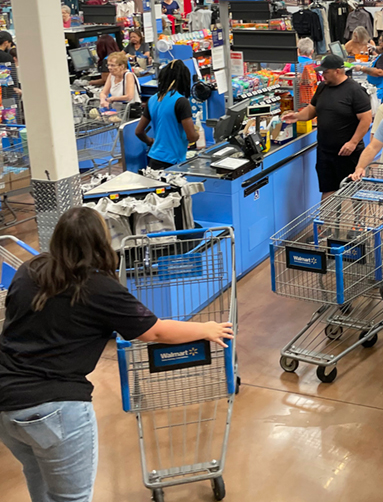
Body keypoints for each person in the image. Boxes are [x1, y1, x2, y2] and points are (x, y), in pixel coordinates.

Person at [0, 206, 233, 502]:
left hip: (6, 404)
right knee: (71, 498)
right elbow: (155, 332)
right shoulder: (97, 288)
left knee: (38, 479)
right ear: (101, 241)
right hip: (55, 409)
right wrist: (206, 329)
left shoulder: (29, 270)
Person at [284, 55, 372, 198]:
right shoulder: (322, 87)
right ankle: (327, 220)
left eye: (325, 71)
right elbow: (312, 110)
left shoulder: (355, 91)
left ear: (338, 71)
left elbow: (366, 119)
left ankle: (359, 221)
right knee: (327, 189)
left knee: (356, 192)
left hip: (348, 153)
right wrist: (297, 116)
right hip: (325, 151)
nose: (322, 74)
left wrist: (353, 142)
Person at [135, 59, 199, 170]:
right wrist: (197, 134)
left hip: (154, 158)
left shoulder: (153, 99)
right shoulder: (181, 101)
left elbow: (139, 131)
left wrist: (151, 141)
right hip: (172, 162)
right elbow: (191, 136)